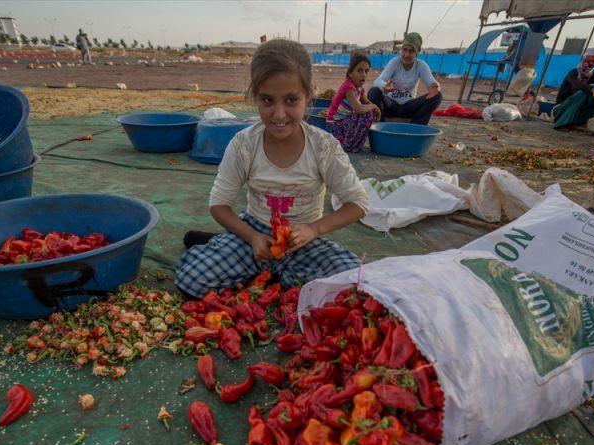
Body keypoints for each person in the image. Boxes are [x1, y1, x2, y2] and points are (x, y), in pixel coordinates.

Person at [174, 39, 369, 299]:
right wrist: (253, 236)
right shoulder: (244, 144)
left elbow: (358, 202)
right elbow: (219, 204)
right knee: (191, 279)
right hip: (255, 233)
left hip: (304, 240)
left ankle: (261, 266)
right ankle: (258, 262)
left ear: (308, 95)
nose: (279, 114)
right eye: (267, 100)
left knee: (354, 286)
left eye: (291, 100)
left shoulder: (323, 147)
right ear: (255, 96)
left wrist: (314, 229)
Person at [367, 32, 442, 125]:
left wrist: (435, 87)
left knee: (437, 96)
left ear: (417, 53)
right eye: (405, 50)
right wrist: (384, 86)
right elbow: (377, 81)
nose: (406, 55)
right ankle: (380, 126)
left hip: (408, 107)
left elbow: (432, 83)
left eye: (411, 51)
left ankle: (415, 128)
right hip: (391, 105)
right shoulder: (394, 63)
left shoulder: (421, 65)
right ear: (401, 50)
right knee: (373, 92)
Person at [325, 52, 381, 152]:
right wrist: (374, 106)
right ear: (350, 73)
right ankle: (347, 145)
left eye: (366, 71)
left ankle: (352, 145)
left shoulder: (360, 88)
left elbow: (366, 103)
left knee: (369, 113)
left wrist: (374, 108)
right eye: (360, 70)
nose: (363, 74)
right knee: (367, 114)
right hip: (335, 125)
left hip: (345, 122)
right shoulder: (348, 88)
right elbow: (358, 109)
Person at [552, 49, 594, 129]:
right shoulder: (573, 73)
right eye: (590, 61)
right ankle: (562, 123)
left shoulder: (592, 75)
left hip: (576, 109)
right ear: (584, 59)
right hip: (561, 109)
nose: (592, 64)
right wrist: (592, 89)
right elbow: (577, 85)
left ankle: (583, 121)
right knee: (582, 93)